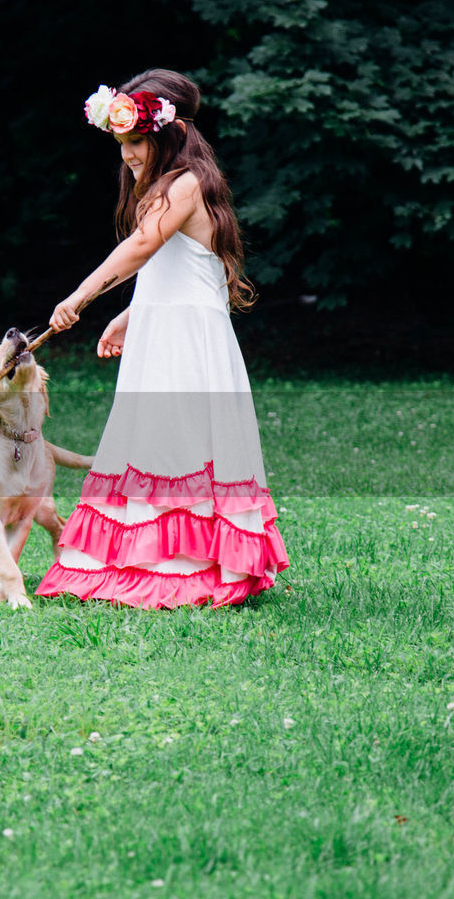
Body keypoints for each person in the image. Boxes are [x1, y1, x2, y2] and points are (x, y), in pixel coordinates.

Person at [34, 68, 289, 609]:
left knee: (177, 440)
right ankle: (145, 558)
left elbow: (142, 250)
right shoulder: (170, 186)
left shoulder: (185, 184)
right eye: (120, 144)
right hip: (168, 330)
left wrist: (79, 297)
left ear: (167, 133)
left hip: (186, 344)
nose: (126, 155)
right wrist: (133, 312)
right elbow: (179, 267)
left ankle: (184, 567)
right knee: (153, 437)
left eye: (135, 142)